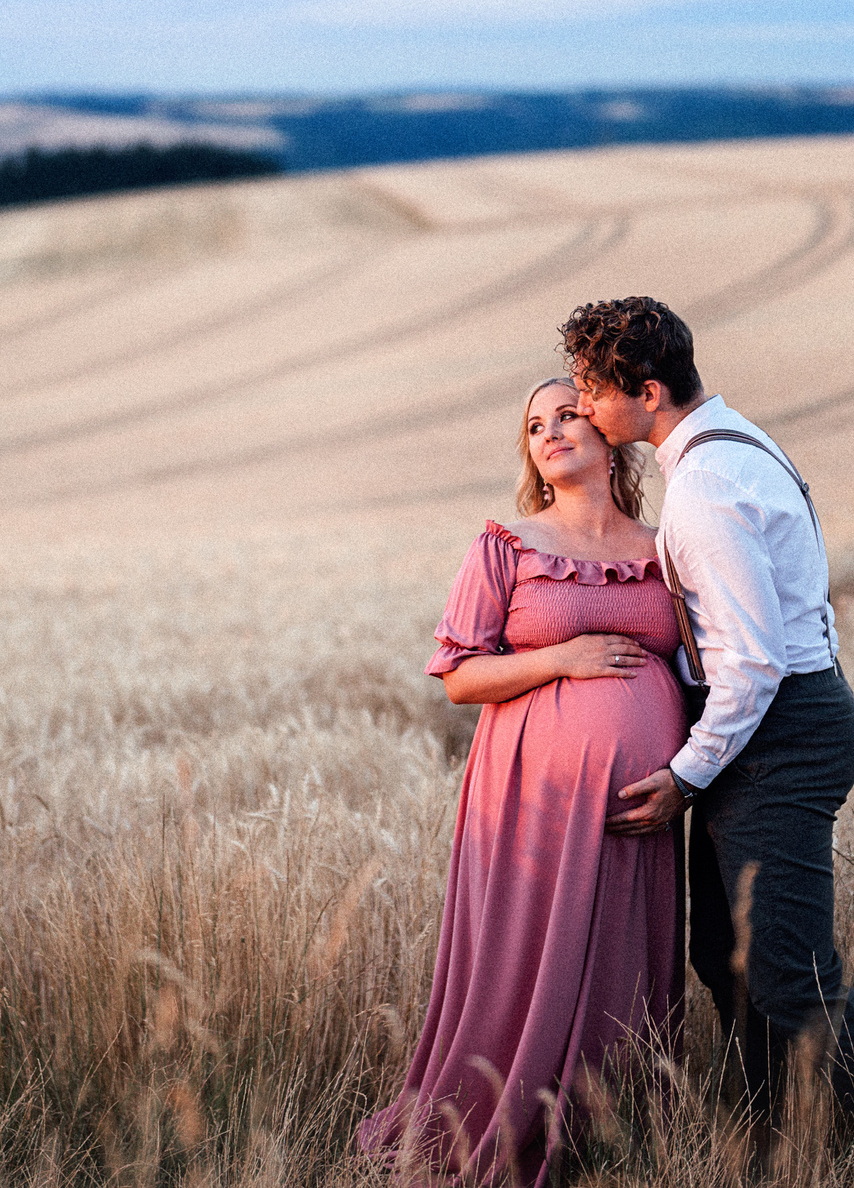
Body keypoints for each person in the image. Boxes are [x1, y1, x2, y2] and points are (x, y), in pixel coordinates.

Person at [561, 295, 854, 1134]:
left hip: (777, 734)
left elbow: (751, 663)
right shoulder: (731, 438)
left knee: (788, 974)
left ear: (647, 390)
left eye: (594, 391)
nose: (584, 409)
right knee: (726, 957)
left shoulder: (705, 488)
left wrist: (683, 774)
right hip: (776, 724)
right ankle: (770, 1133)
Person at [357, 378, 689, 1187]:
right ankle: (502, 1125)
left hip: (642, 808)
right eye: (535, 425)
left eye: (567, 413)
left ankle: (609, 1133)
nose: (551, 430)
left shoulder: (665, 544)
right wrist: (563, 658)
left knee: (621, 960)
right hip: (532, 802)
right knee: (525, 960)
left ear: (611, 430)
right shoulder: (505, 542)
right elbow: (459, 677)